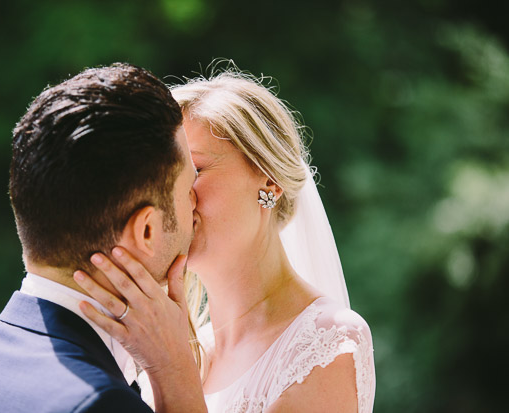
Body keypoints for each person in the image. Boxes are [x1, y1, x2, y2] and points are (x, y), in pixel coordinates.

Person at [0, 63, 206, 413]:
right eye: (189, 187)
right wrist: (176, 376)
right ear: (146, 231)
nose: (196, 200)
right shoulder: (100, 404)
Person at [74, 68, 376, 412]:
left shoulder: (328, 344)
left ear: (269, 181)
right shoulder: (178, 344)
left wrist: (171, 371)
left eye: (194, 171)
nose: (172, 198)